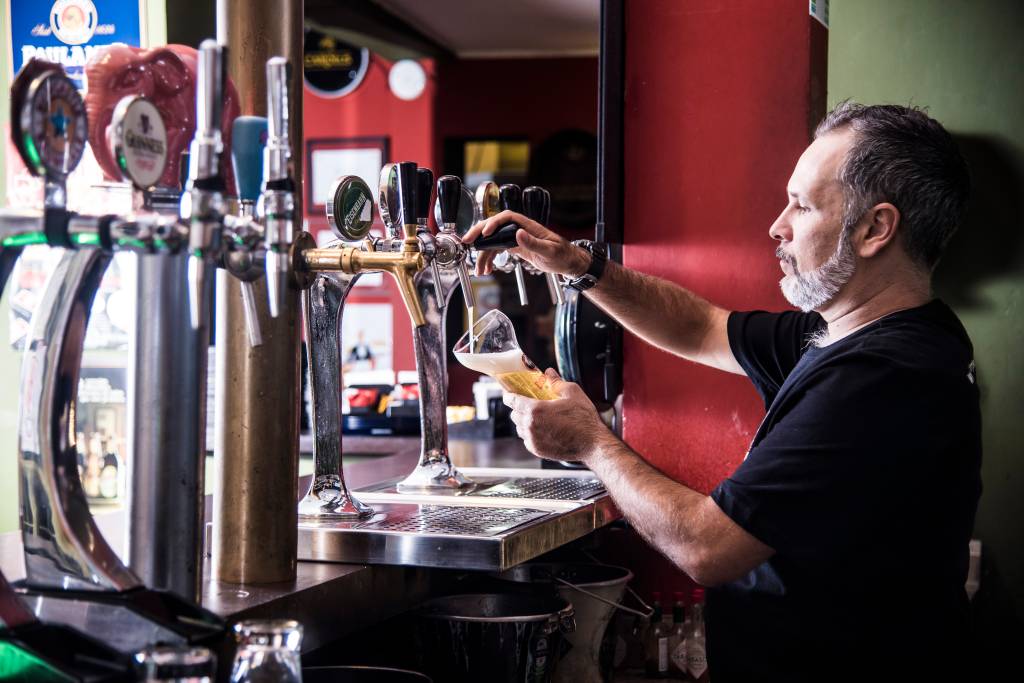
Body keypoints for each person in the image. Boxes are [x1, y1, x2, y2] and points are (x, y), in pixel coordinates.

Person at [461, 102, 980, 680]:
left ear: (875, 229)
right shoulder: (850, 332)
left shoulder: (884, 376)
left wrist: (589, 441)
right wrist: (576, 265)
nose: (777, 226)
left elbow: (709, 547)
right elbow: (699, 327)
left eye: (802, 205)